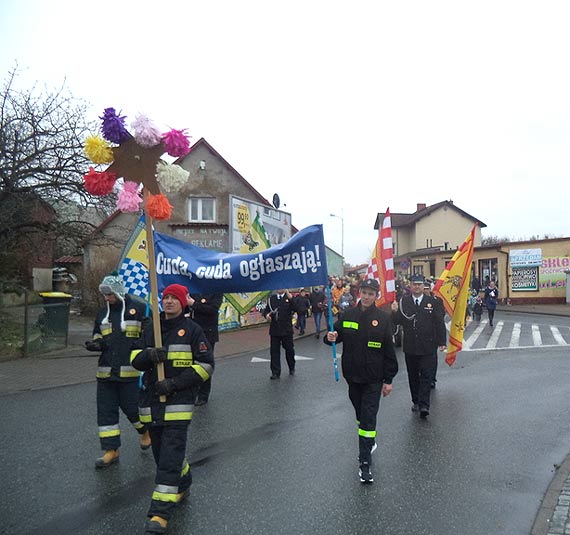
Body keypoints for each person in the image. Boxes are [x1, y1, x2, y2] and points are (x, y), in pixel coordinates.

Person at [131, 284, 214, 534]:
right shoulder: (151, 329)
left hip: (178, 405)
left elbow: (206, 366)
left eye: (173, 298)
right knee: (162, 456)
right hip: (152, 405)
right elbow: (135, 361)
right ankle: (184, 480)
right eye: (165, 298)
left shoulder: (193, 331)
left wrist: (175, 383)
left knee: (168, 459)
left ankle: (159, 513)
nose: (168, 302)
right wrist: (149, 356)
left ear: (181, 303)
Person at [324, 278, 398, 484]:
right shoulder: (348, 315)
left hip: (374, 379)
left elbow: (389, 352)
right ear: (360, 294)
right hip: (353, 378)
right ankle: (369, 440)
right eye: (364, 292)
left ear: (376, 296)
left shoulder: (383, 319)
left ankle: (364, 464)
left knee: (367, 419)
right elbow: (336, 335)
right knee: (360, 415)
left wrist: (389, 380)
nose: (367, 297)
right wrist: (330, 336)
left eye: (371, 294)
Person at [85, 272, 151, 468]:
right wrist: (96, 344)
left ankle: (144, 431)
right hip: (105, 373)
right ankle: (111, 450)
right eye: (104, 295)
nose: (107, 299)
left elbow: (148, 336)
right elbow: (98, 333)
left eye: (110, 294)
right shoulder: (102, 313)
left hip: (130, 373)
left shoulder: (139, 308)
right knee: (106, 413)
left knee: (133, 410)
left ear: (119, 291)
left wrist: (140, 344)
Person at [391, 274, 446, 419]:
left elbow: (439, 322)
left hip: (428, 345)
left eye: (419, 284)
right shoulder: (404, 301)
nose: (417, 287)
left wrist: (442, 342)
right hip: (411, 345)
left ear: (424, 286)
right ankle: (416, 400)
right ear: (410, 286)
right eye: (414, 284)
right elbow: (398, 321)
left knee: (426, 376)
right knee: (413, 375)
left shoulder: (432, 301)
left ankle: (424, 405)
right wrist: (394, 311)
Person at [187, 292, 223, 405]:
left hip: (207, 333)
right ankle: (192, 392)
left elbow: (212, 309)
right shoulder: (193, 290)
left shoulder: (215, 291)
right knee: (190, 363)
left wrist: (193, 303)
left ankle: (203, 395)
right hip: (191, 332)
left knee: (205, 364)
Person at [263, 289, 298, 379]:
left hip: (286, 330)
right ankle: (275, 372)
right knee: (274, 352)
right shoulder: (272, 299)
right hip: (275, 330)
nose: (280, 289)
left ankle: (291, 367)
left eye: (282, 287)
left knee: (289, 350)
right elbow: (266, 311)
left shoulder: (289, 298)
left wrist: (291, 299)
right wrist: (266, 315)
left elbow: (297, 309)